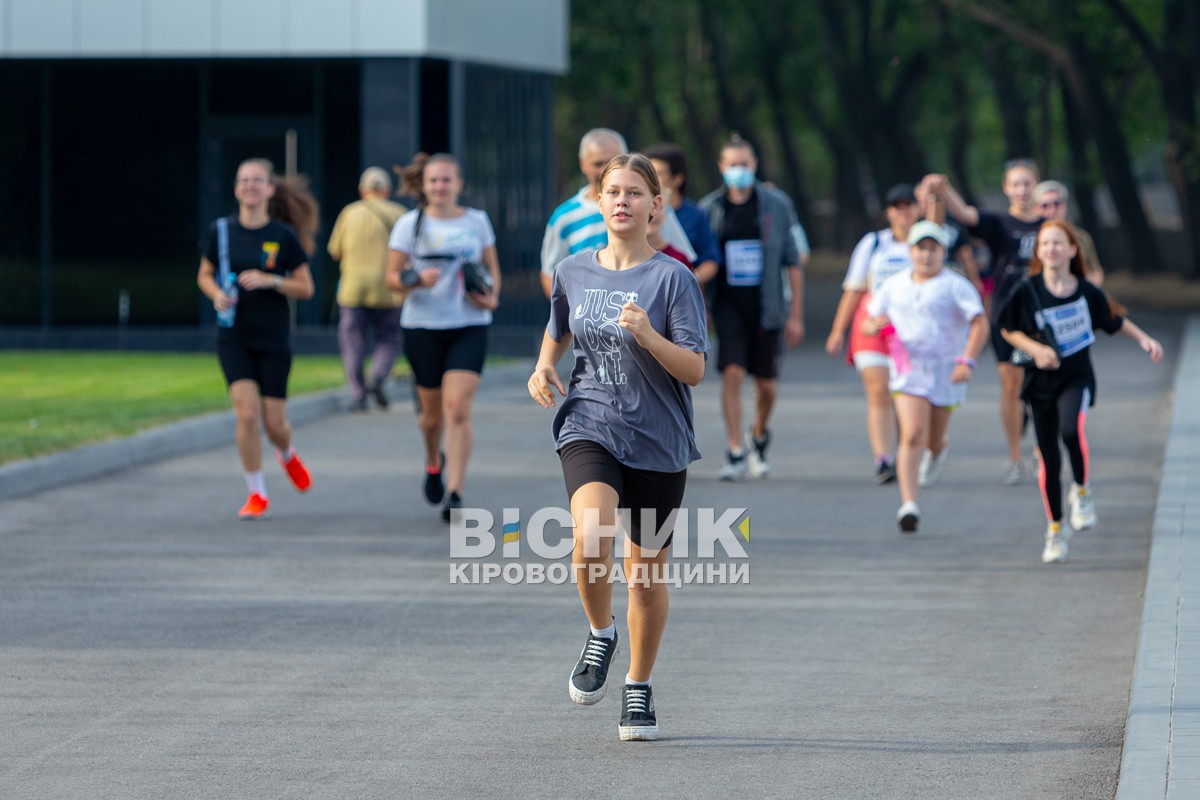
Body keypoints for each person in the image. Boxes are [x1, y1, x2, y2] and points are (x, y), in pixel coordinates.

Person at [528, 153, 708, 742]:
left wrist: (650, 335)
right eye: (613, 192)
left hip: (659, 442)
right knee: (590, 534)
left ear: (658, 206)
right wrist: (542, 368)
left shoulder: (672, 278)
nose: (623, 201)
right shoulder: (574, 270)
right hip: (591, 424)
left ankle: (638, 687)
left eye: (636, 192)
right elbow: (559, 328)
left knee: (647, 577)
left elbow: (695, 370)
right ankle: (600, 632)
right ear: (599, 201)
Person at [998, 220, 1162, 563]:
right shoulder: (1027, 290)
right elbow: (1007, 329)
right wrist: (1037, 350)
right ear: (1038, 252)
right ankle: (1055, 529)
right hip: (1039, 383)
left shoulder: (1087, 291)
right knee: (1049, 458)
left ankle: (1082, 491)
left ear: (1073, 250)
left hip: (1076, 378)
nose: (1051, 250)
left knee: (1071, 430)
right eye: (1045, 244)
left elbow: (1114, 321)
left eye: (1058, 243)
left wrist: (1145, 339)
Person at [196, 158, 317, 520]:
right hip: (233, 336)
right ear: (236, 189)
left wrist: (272, 281)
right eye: (243, 180)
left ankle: (286, 452)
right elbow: (204, 274)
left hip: (273, 338)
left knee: (274, 425)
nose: (250, 186)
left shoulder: (283, 236)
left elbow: (306, 288)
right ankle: (257, 493)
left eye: (257, 180)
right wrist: (215, 293)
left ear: (269, 189)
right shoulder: (219, 232)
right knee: (247, 415)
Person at [385, 153, 501, 521]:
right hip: (422, 326)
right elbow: (391, 277)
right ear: (424, 185)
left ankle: (455, 491)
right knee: (431, 418)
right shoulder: (409, 225)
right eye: (433, 180)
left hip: (469, 323)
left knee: (458, 409)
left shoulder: (477, 222)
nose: (440, 187)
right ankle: (434, 461)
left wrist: (491, 296)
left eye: (446, 180)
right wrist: (417, 279)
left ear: (459, 184)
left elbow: (492, 270)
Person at [862, 221, 989, 534]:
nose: (926, 254)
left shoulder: (955, 285)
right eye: (920, 248)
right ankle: (909, 504)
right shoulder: (894, 285)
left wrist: (967, 361)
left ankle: (937, 451)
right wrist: (873, 327)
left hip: (947, 371)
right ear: (911, 251)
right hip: (909, 372)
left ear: (942, 252)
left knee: (932, 437)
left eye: (933, 248)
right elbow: (869, 320)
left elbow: (979, 323)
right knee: (912, 433)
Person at [923, 159, 1045, 484]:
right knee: (1011, 386)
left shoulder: (1049, 226)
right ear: (1006, 188)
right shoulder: (998, 222)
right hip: (1008, 316)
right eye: (1015, 184)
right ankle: (1016, 457)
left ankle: (1042, 450)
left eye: (1027, 183)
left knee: (1043, 386)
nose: (1021, 190)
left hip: (1043, 317)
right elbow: (964, 214)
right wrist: (943, 188)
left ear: (1036, 185)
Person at [698, 135, 807, 480]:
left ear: (755, 165)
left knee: (767, 385)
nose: (739, 171)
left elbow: (793, 260)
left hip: (768, 305)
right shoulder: (710, 208)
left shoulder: (776, 204)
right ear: (721, 167)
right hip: (728, 303)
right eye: (732, 165)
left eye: (744, 164)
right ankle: (734, 450)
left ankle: (758, 433)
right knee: (731, 372)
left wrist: (796, 316)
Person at [825, 183, 920, 485]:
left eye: (908, 205)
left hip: (911, 332)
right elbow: (854, 289)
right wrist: (837, 330)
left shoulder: (926, 243)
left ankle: (911, 451)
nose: (903, 212)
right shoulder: (873, 244)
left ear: (918, 209)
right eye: (896, 206)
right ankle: (883, 459)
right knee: (878, 392)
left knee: (905, 395)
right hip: (871, 327)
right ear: (888, 212)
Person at [540, 129, 696, 298]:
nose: (605, 170)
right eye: (598, 164)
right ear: (583, 163)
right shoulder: (563, 218)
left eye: (612, 161)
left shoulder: (651, 210)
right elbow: (551, 274)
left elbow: (681, 262)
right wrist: (576, 310)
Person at [327, 167, 408, 411]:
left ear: (362, 190)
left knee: (353, 340)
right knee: (388, 336)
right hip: (389, 288)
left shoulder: (349, 213)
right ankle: (379, 375)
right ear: (387, 190)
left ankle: (358, 394)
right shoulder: (399, 214)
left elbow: (334, 251)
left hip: (353, 289)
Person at [643, 142, 720, 285]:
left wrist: (686, 282)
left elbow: (710, 260)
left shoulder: (696, 215)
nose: (651, 180)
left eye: (658, 173)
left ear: (677, 178)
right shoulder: (635, 211)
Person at [1033, 180, 1105, 286]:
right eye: (1045, 205)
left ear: (1064, 206)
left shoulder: (1081, 237)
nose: (1052, 209)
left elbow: (1095, 271)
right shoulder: (1030, 237)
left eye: (1056, 204)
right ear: (1036, 209)